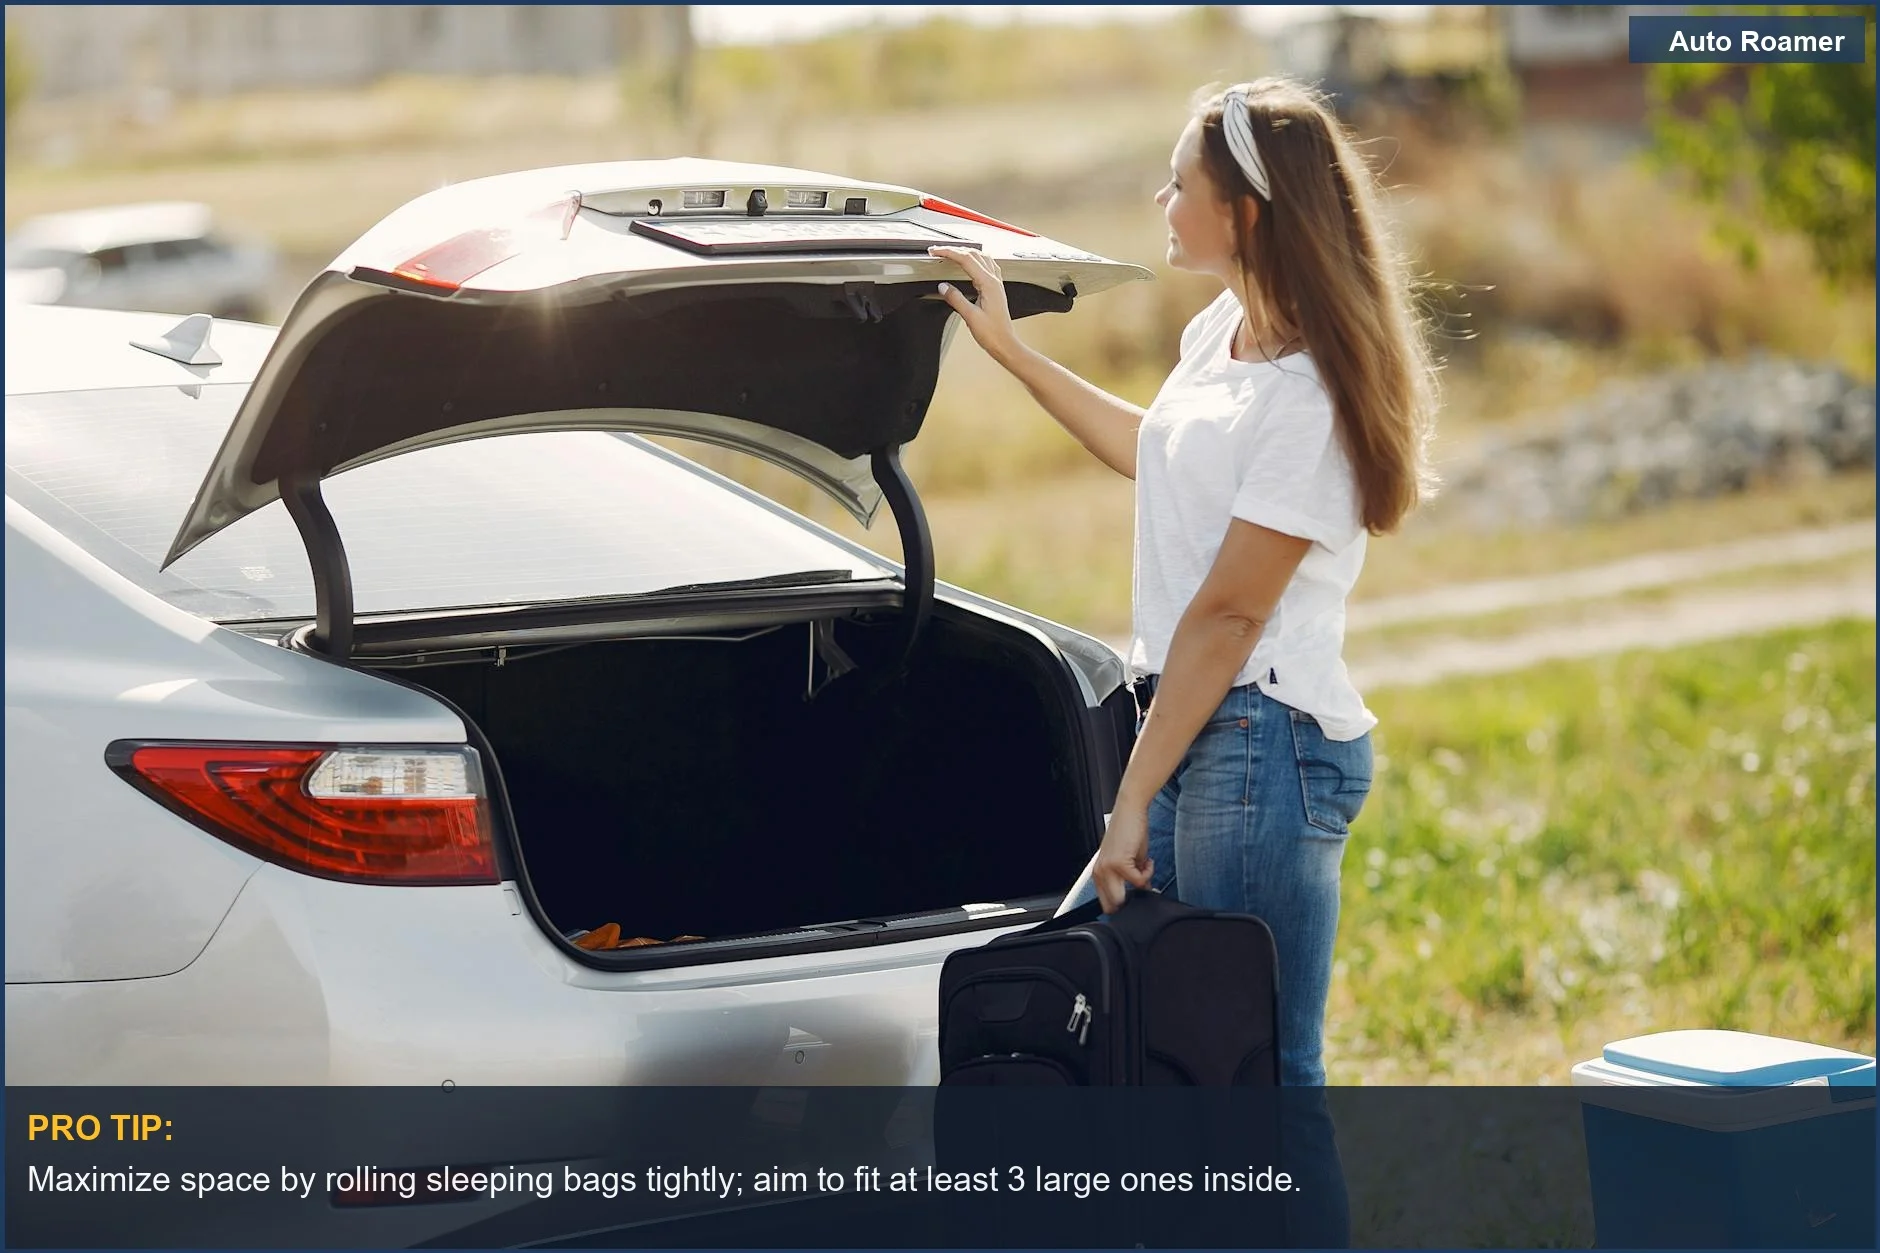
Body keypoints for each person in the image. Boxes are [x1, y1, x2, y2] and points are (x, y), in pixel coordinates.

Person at [929, 77, 1437, 1246]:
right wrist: (1011, 355)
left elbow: (1223, 618)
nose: (1161, 196)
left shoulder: (1310, 397)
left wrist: (1131, 798)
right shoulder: (1218, 335)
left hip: (1259, 747)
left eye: (1180, 182)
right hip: (1208, 734)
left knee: (1259, 1074)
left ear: (1246, 210)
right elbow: (1151, 453)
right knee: (1188, 1068)